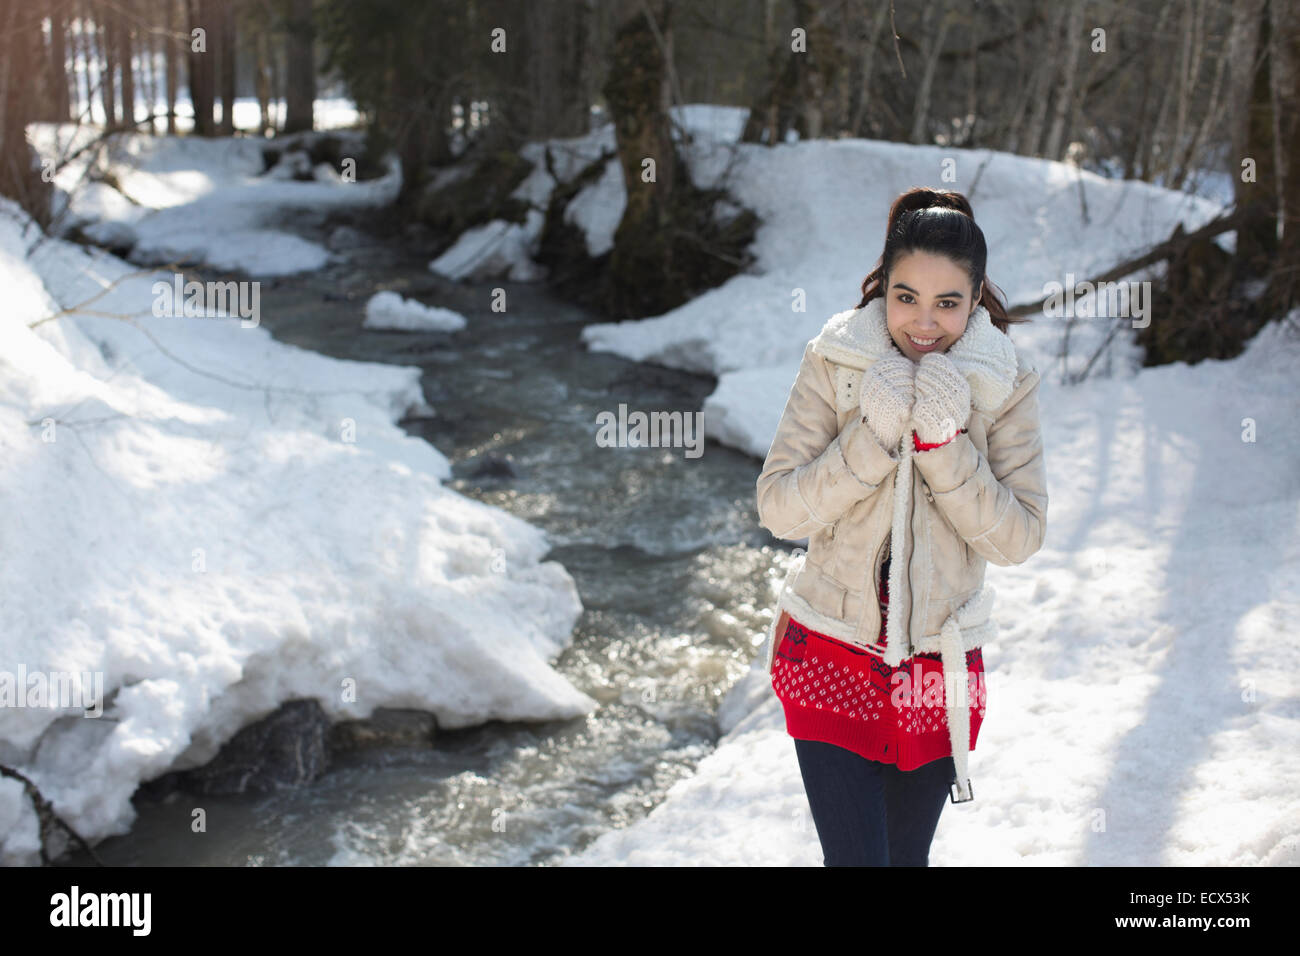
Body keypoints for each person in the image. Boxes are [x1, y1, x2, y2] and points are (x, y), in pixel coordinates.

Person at [755, 187, 1049, 866]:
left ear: (976, 300)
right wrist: (872, 439)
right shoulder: (837, 360)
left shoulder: (1006, 383)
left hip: (937, 670)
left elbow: (1019, 537)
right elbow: (779, 508)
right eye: (906, 296)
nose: (923, 323)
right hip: (830, 648)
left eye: (948, 303)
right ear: (882, 286)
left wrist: (947, 449)